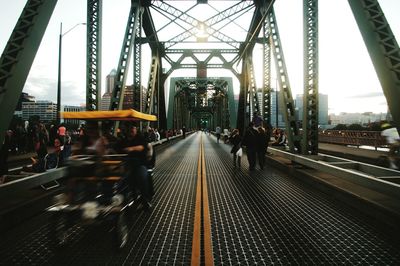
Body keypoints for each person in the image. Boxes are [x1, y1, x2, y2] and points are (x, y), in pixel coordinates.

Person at [122, 125, 153, 210]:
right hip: (126, 165)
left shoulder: (140, 138)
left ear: (136, 129)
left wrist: (131, 149)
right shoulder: (124, 139)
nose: (130, 130)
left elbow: (142, 147)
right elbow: (117, 148)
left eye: (132, 127)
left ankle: (145, 200)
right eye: (129, 128)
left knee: (142, 177)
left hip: (139, 164)